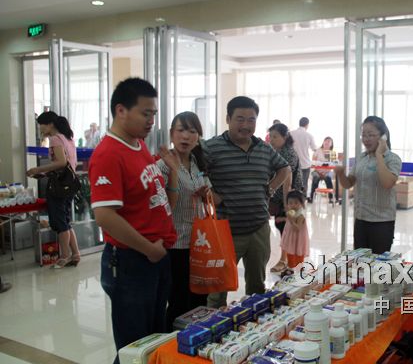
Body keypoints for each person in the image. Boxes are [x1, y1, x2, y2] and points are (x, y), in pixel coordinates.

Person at [89, 78, 178, 364]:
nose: (151, 121)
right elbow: (105, 216)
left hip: (155, 257)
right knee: (134, 347)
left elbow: (154, 200)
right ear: (121, 110)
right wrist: (148, 249)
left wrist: (174, 174)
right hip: (132, 261)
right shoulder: (108, 154)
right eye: (145, 113)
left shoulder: (138, 145)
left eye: (154, 114)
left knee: (153, 340)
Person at [205, 96, 291, 308]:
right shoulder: (212, 147)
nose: (246, 125)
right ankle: (213, 327)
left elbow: (284, 168)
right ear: (228, 119)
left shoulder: (263, 147)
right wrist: (211, 193)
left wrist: (271, 187)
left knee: (257, 288)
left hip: (258, 229)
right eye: (240, 119)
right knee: (217, 290)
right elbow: (195, 171)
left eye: (251, 120)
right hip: (226, 231)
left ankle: (254, 326)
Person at [156, 111, 211, 332]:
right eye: (181, 130)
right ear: (172, 134)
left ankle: (197, 340)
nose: (186, 136)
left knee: (200, 297)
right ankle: (174, 342)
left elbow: (208, 195)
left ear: (198, 136)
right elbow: (162, 206)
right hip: (176, 244)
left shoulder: (197, 162)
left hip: (199, 242)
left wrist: (205, 193)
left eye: (192, 131)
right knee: (179, 300)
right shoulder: (162, 165)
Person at [334, 116, 402, 254]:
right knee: (361, 262)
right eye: (364, 135)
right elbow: (349, 183)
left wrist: (379, 155)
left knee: (378, 263)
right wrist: (341, 174)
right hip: (360, 219)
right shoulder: (362, 157)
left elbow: (387, 183)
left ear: (383, 137)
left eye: (371, 135)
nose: (366, 139)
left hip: (381, 222)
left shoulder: (393, 159)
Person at [26, 111, 81, 269]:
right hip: (69, 184)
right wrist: (45, 173)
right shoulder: (67, 138)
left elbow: (61, 162)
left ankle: (64, 257)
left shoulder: (55, 139)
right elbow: (67, 164)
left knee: (60, 222)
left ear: (50, 124)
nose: (41, 129)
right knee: (66, 221)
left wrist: (38, 169)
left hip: (58, 187)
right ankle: (75, 254)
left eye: (42, 125)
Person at [267, 123, 303, 273]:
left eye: (275, 137)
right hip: (279, 197)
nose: (272, 140)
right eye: (270, 136)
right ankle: (286, 260)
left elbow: (287, 181)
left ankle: (284, 260)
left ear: (285, 137)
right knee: (281, 226)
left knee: (285, 229)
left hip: (289, 198)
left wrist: (287, 205)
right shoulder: (278, 151)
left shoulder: (289, 153)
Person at [280, 190, 309, 274]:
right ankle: (290, 268)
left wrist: (291, 220)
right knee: (290, 252)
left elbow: (297, 228)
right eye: (290, 203)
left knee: (298, 254)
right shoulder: (292, 213)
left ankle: (299, 270)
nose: (293, 205)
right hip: (291, 239)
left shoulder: (300, 216)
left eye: (296, 203)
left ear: (302, 204)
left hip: (298, 240)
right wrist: (282, 219)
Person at [290, 117, 317, 196]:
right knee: (304, 184)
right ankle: (302, 200)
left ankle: (292, 199)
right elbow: (314, 148)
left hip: (293, 163)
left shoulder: (290, 133)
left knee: (292, 183)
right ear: (307, 125)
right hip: (305, 164)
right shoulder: (309, 135)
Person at [309, 136, 338, 203]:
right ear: (323, 142)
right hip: (316, 171)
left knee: (328, 178)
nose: (326, 142)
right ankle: (312, 197)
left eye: (329, 141)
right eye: (325, 141)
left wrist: (325, 172)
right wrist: (319, 172)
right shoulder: (317, 150)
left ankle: (331, 198)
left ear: (331, 144)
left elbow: (333, 164)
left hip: (327, 172)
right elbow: (313, 162)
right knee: (315, 177)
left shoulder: (332, 152)